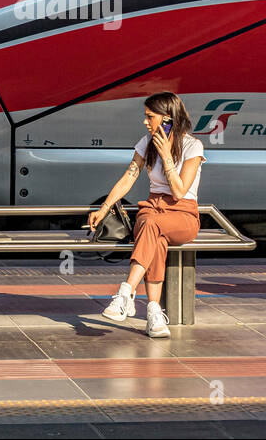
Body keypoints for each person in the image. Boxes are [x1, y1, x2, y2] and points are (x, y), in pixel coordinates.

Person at [87, 91, 205, 338]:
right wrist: (104, 208)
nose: (145, 122)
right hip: (152, 209)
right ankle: (153, 312)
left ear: (167, 118)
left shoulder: (194, 146)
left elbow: (180, 190)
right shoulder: (145, 143)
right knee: (155, 237)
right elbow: (129, 176)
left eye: (149, 116)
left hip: (183, 214)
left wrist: (166, 156)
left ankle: (126, 292)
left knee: (151, 226)